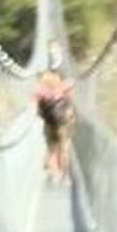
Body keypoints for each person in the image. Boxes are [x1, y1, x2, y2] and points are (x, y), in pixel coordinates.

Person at [37, 46, 76, 183]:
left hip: (49, 121)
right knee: (65, 146)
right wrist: (70, 116)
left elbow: (38, 103)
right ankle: (65, 176)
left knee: (51, 147)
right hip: (63, 120)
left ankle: (53, 174)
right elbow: (70, 102)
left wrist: (43, 115)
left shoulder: (44, 79)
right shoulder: (67, 80)